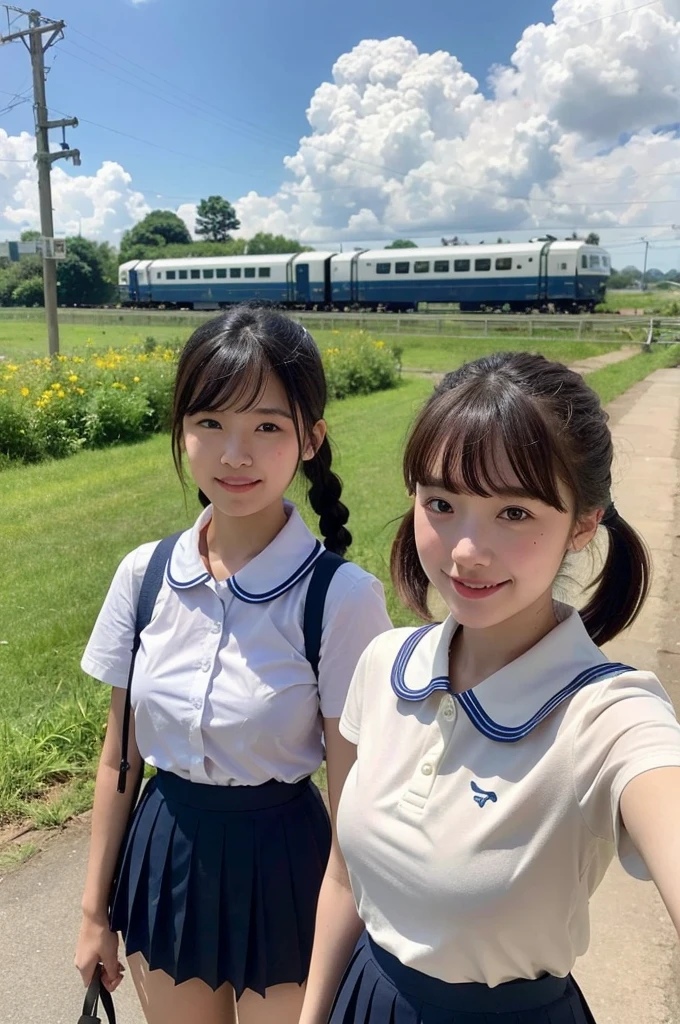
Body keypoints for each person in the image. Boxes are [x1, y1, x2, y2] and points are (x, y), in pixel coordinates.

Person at [299, 351, 680, 1024]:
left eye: (514, 513)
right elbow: (342, 877)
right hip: (364, 1000)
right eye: (442, 503)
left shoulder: (610, 716)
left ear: (584, 524)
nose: (466, 551)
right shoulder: (384, 665)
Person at [74, 304, 392, 1024]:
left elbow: (355, 799)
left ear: (311, 438)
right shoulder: (143, 575)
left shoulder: (341, 600)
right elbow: (118, 758)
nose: (234, 454)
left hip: (286, 870)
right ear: (182, 430)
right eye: (210, 422)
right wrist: (95, 911)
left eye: (267, 427)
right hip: (165, 859)